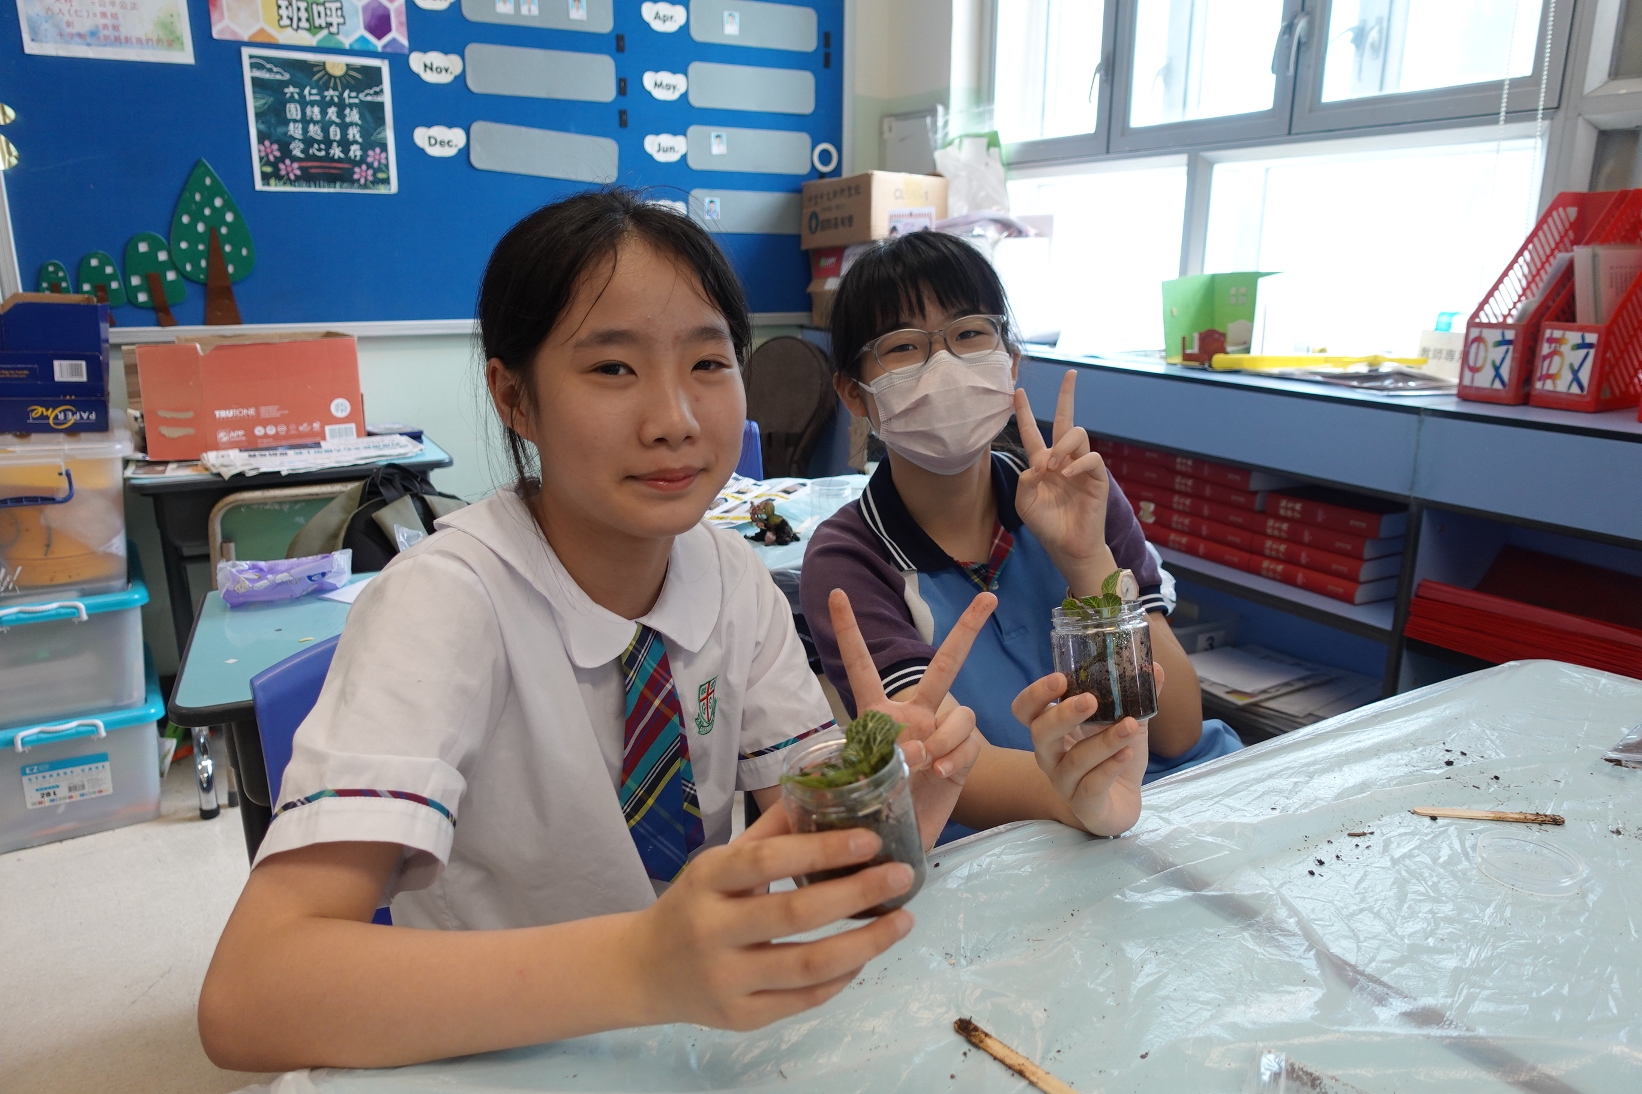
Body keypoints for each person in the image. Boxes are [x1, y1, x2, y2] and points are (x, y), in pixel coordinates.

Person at [196, 191, 1019, 1070]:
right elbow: (251, 995)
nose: (675, 420)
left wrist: (885, 810)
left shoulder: (731, 577)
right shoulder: (444, 601)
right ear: (514, 397)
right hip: (495, 1058)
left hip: (691, 1049)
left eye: (709, 362)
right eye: (614, 369)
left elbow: (805, 862)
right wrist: (643, 963)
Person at [800, 230, 1243, 844]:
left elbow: (1178, 732)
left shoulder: (1079, 495)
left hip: (1179, 801)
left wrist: (1086, 559)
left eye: (969, 334)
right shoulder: (851, 558)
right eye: (903, 345)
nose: (944, 364)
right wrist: (1089, 796)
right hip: (1017, 845)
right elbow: (952, 765)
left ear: (1009, 362)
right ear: (854, 392)